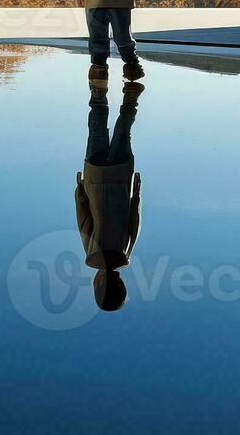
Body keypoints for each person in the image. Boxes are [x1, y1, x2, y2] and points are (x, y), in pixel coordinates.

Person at [75, 81, 144, 312]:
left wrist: (136, 191)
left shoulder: (126, 251)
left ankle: (131, 97)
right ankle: (99, 86)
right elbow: (84, 219)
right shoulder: (92, 255)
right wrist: (79, 190)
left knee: (123, 132)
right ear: (99, 283)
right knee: (96, 127)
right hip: (95, 176)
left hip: (121, 177)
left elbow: (134, 218)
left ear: (120, 283)